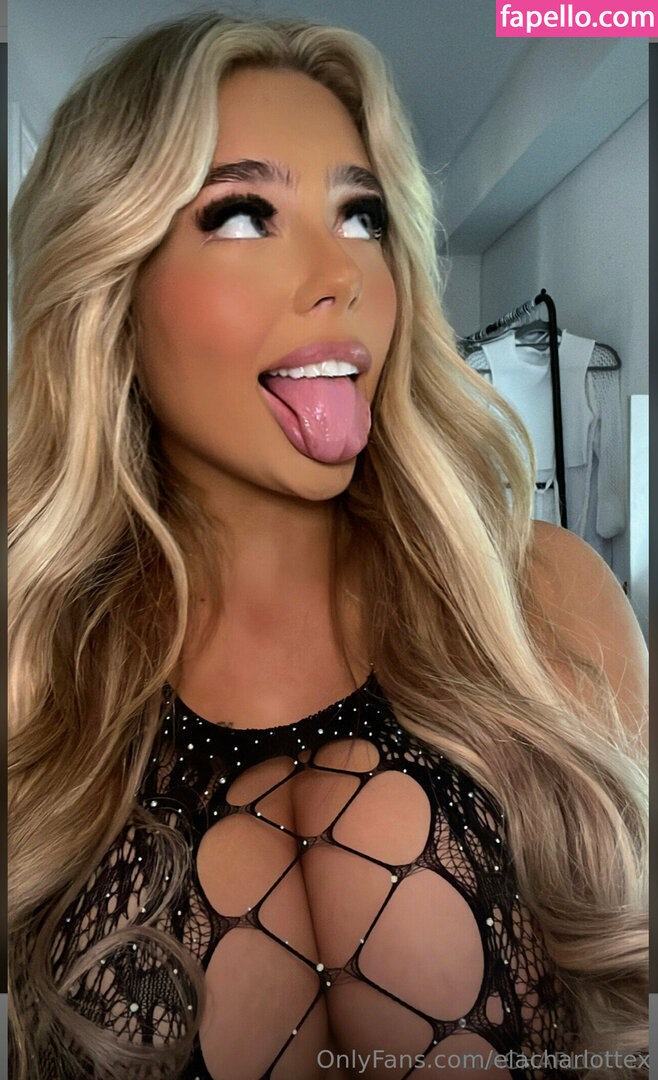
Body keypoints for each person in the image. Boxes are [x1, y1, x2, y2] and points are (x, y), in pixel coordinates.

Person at [8, 11, 647, 1080]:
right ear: (110, 290)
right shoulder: (29, 680)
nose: (340, 272)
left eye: (363, 215)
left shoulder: (547, 604)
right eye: (243, 215)